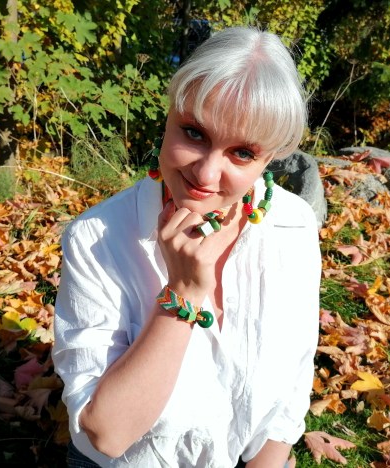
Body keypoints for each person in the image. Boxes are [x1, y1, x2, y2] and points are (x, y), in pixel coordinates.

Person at [53, 26, 321, 468]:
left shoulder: (293, 226)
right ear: (169, 114)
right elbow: (107, 435)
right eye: (194, 133)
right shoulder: (97, 238)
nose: (207, 174)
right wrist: (183, 293)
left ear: (270, 158)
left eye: (242, 153)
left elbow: (293, 378)